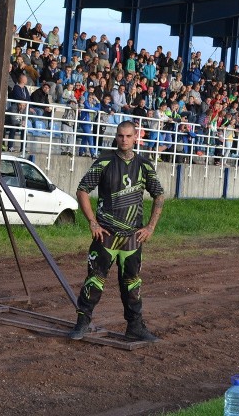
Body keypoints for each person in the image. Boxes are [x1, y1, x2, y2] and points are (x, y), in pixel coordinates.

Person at [68, 120, 166, 342]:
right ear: (116, 137)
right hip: (106, 236)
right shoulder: (104, 162)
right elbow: (82, 190)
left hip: (132, 238)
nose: (124, 140)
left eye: (128, 136)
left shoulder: (144, 165)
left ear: (135, 138)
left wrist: (150, 227)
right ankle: (82, 323)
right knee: (94, 280)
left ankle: (135, 327)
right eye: (120, 136)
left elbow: (159, 194)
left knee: (133, 284)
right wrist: (92, 222)